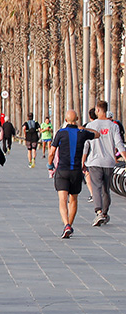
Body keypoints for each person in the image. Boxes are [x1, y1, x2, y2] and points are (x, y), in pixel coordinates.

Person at [48, 109, 98, 238]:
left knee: (62, 200)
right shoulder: (82, 133)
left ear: (65, 120)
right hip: (76, 171)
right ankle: (69, 224)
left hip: (62, 170)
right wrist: (84, 128)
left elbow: (52, 152)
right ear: (76, 120)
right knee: (74, 199)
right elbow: (97, 134)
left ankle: (66, 225)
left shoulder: (61, 133)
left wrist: (50, 165)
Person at [83, 100, 126, 226]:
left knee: (96, 187)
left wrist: (82, 161)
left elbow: (86, 145)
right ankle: (105, 213)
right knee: (106, 189)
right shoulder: (113, 126)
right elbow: (119, 144)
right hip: (109, 162)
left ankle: (99, 211)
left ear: (97, 110)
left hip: (94, 161)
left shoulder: (91, 125)